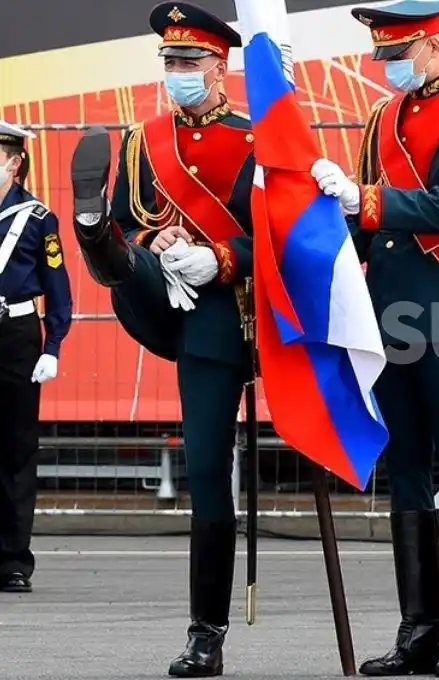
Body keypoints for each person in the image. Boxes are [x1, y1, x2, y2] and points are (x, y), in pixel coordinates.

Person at [310, 0, 439, 675]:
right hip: (387, 314)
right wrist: (315, 234)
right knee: (406, 478)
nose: (388, 66)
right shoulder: (381, 119)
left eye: (396, 54)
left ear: (430, 45)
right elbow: (364, 234)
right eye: (382, 55)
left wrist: (361, 199)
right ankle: (419, 628)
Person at [69, 2, 255, 676]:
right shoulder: (143, 139)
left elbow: (290, 231)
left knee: (225, 463)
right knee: (206, 469)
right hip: (176, 303)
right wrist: (158, 238)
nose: (175, 72)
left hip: (242, 309)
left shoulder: (258, 135)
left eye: (187, 62)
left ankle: (207, 634)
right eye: (168, 62)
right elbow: (133, 215)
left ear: (219, 65)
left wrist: (225, 255)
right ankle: (103, 250)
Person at [0, 122, 72, 595]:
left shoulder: (37, 217)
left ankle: (11, 561)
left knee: (16, 449)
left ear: (13, 162)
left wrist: (52, 346)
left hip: (15, 336)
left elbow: (57, 289)